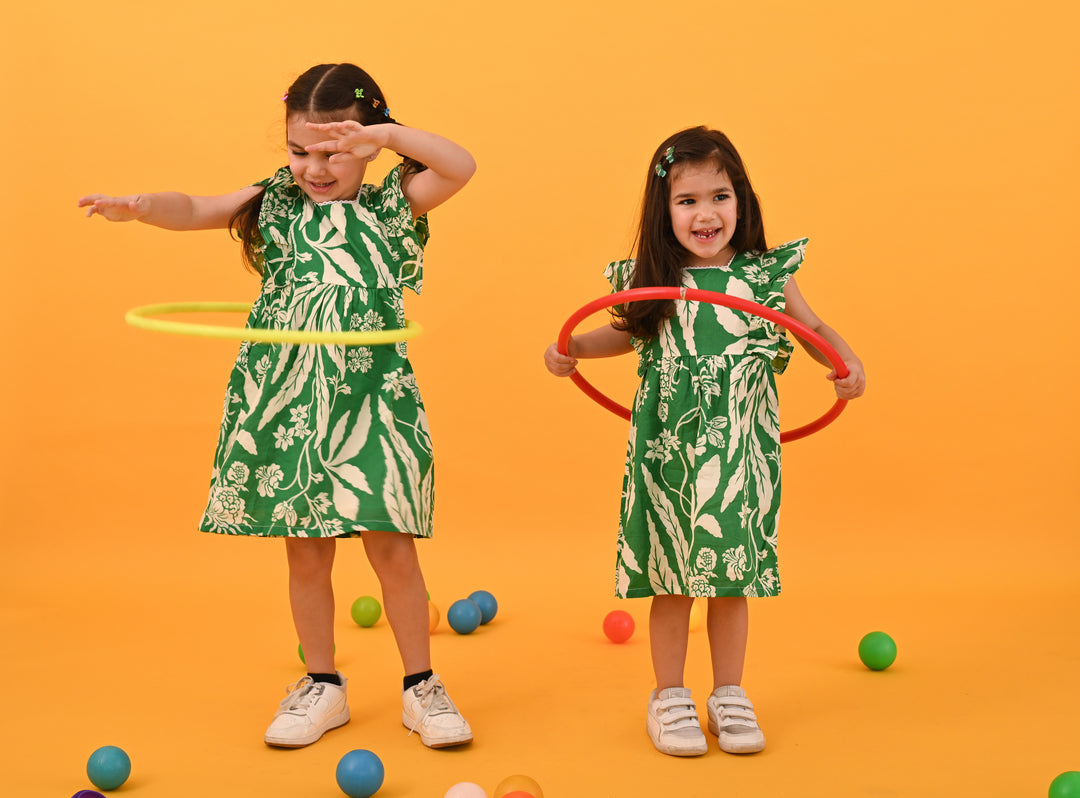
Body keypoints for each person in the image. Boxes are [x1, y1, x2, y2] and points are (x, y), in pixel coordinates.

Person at [79, 63, 477, 750]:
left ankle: (422, 689)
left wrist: (383, 135)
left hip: (371, 400)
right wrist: (140, 207)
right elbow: (197, 207)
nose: (314, 168)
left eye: (333, 152)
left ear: (367, 144)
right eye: (299, 152)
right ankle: (321, 684)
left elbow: (461, 166)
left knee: (393, 548)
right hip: (289, 398)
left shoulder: (391, 204)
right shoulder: (277, 204)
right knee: (305, 552)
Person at [544, 126, 865, 757]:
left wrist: (844, 362)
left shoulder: (766, 276)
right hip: (670, 448)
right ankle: (669, 695)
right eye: (687, 201)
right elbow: (625, 335)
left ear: (740, 201)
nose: (705, 214)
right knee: (671, 578)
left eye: (719, 196)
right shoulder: (654, 281)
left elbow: (810, 327)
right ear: (664, 212)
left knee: (730, 577)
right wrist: (573, 349)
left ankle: (729, 692)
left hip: (739, 455)